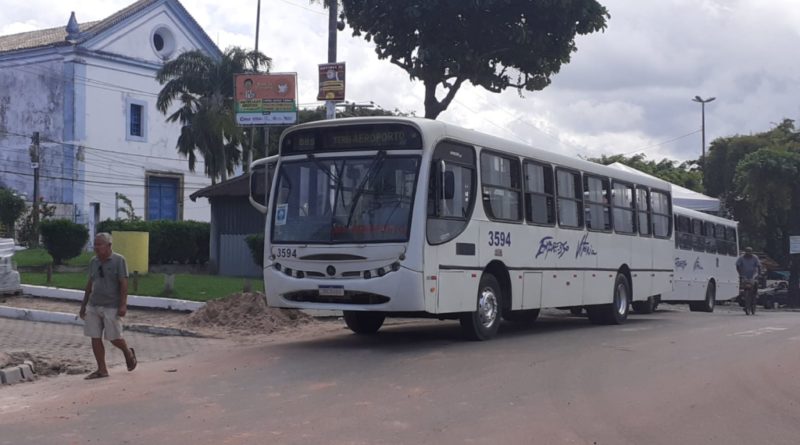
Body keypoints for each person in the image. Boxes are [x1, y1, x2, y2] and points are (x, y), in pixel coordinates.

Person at [79, 233, 136, 379]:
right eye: (95, 244)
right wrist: (83, 305)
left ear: (109, 246)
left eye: (100, 244)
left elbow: (123, 283)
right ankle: (102, 369)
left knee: (114, 337)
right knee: (94, 336)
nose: (96, 248)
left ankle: (127, 352)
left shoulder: (119, 260)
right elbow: (90, 283)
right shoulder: (93, 262)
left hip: (112, 305)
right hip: (94, 304)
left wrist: (123, 304)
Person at [736, 246, 762, 315]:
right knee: (744, 289)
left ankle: (755, 295)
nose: (748, 254)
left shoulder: (755, 258)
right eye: (747, 252)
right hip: (744, 276)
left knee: (755, 285)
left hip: (753, 275)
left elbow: (759, 266)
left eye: (749, 252)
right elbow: (737, 265)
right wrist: (740, 274)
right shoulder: (741, 258)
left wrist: (759, 274)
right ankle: (746, 303)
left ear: (751, 253)